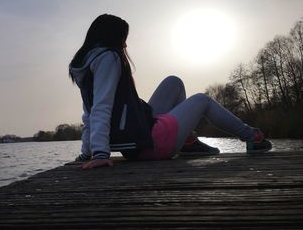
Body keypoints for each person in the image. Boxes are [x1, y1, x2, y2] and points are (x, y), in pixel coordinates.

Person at [69, 14, 272, 169]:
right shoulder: (109, 58)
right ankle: (252, 138)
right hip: (152, 145)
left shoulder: (87, 64)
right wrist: (100, 155)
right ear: (111, 37)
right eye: (123, 38)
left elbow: (88, 112)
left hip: (139, 139)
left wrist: (87, 153)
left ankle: (187, 141)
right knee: (203, 100)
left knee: (174, 82)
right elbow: (99, 109)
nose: (126, 44)